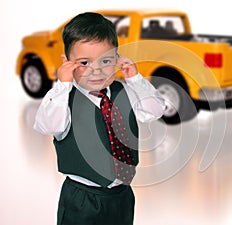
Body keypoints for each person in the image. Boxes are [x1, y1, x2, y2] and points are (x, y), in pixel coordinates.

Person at [33, 12, 165, 225]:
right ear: (67, 63)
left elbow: (155, 110)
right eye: (84, 62)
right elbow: (48, 125)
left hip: (122, 196)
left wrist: (135, 79)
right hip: (82, 199)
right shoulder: (63, 100)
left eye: (106, 60)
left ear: (117, 58)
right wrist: (63, 85)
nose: (96, 71)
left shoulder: (124, 90)